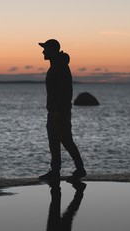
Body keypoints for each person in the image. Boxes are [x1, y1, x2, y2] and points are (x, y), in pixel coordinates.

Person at [38, 39, 86, 181]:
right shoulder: (55, 66)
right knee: (53, 140)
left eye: (45, 49)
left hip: (60, 112)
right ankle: (55, 171)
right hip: (53, 111)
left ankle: (80, 169)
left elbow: (65, 91)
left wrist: (59, 110)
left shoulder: (61, 66)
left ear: (52, 50)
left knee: (66, 140)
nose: (43, 51)